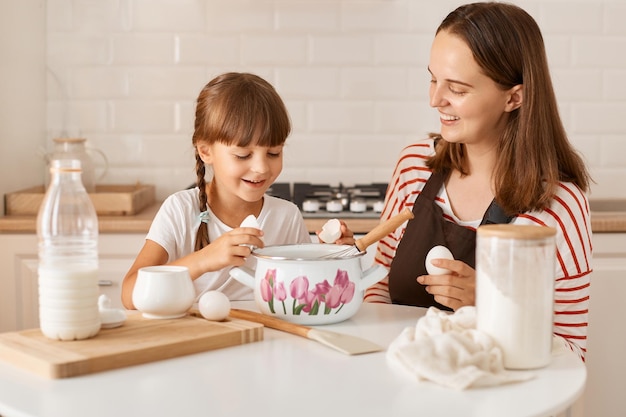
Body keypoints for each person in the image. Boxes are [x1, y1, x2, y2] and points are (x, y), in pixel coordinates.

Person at [363, 2, 592, 360]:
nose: (434, 99)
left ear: (513, 97)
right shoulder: (414, 168)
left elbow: (571, 352)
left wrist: (489, 306)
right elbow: (376, 286)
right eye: (433, 78)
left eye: (456, 88)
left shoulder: (558, 206)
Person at [121, 72, 313, 309]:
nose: (262, 167)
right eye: (243, 155)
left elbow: (307, 296)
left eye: (274, 153)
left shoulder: (287, 217)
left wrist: (339, 256)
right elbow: (130, 294)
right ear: (205, 151)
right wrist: (204, 260)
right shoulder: (180, 210)